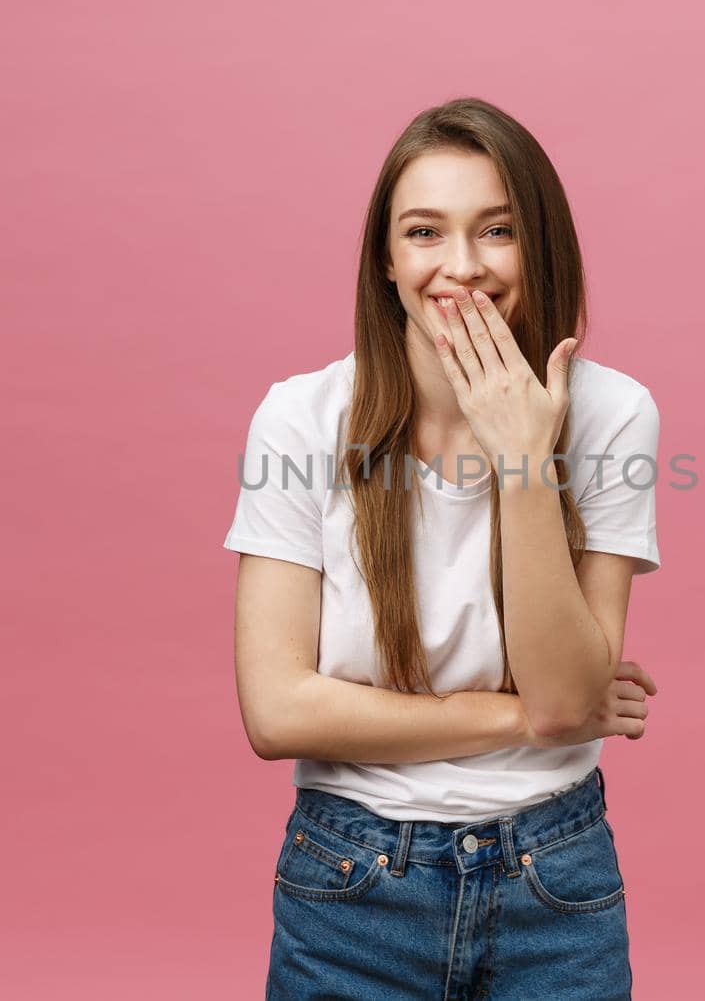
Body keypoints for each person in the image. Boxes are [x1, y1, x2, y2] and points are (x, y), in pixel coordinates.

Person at [224, 96, 663, 999]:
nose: (461, 267)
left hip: (555, 879)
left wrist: (521, 460)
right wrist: (530, 716)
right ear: (386, 262)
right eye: (425, 232)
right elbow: (277, 713)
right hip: (350, 887)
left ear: (540, 246)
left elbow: (568, 697)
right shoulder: (301, 419)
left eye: (496, 229)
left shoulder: (616, 414)